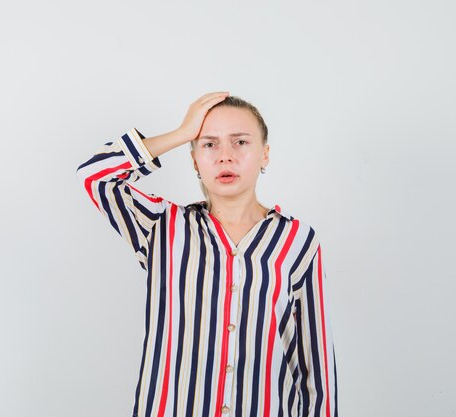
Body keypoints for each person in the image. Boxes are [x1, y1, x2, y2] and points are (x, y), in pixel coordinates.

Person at [76, 92, 338, 417]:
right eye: (209, 144)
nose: (225, 156)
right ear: (194, 160)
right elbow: (95, 175)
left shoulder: (297, 241)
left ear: (264, 155)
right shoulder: (163, 227)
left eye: (240, 142)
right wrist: (182, 133)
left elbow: (315, 367)